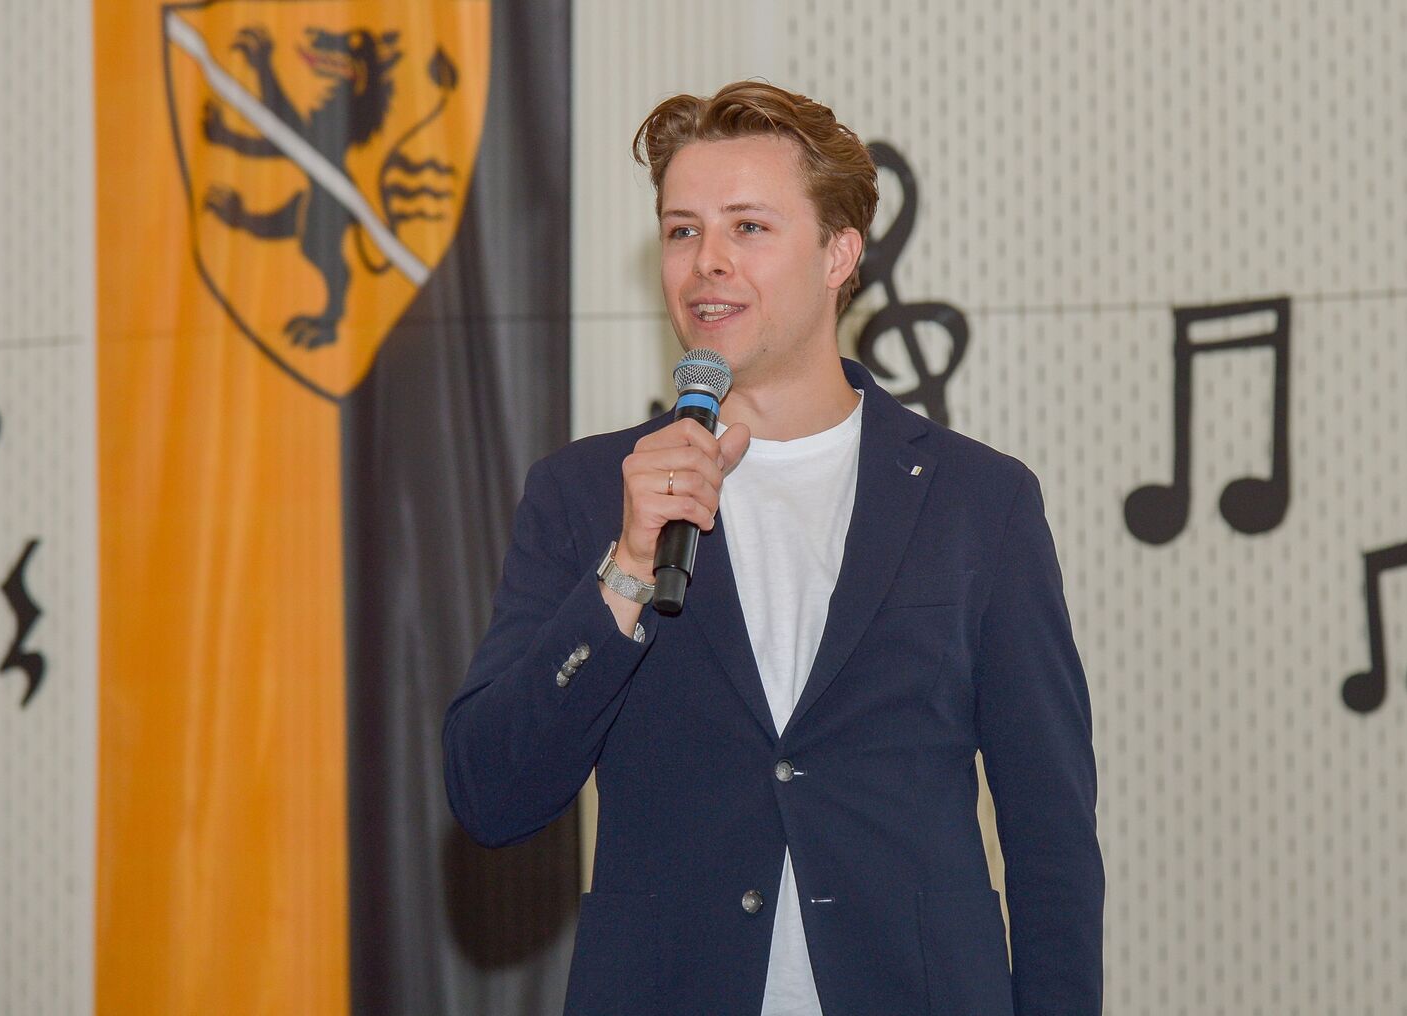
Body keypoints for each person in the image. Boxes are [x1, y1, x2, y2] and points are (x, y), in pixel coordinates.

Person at [443, 80, 1103, 1015]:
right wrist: (625, 570)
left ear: (840, 253)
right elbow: (491, 794)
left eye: (748, 227)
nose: (706, 262)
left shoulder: (978, 501)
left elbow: (1051, 836)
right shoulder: (587, 493)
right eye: (682, 230)